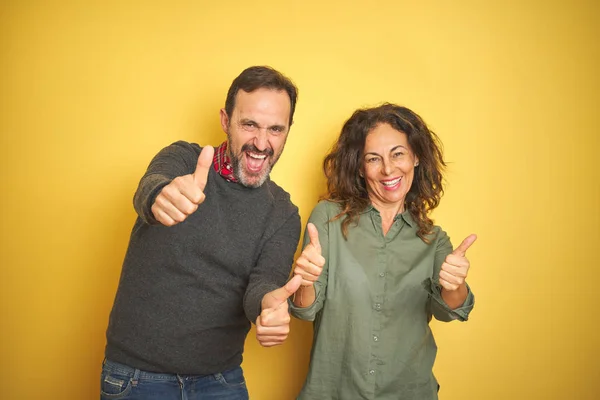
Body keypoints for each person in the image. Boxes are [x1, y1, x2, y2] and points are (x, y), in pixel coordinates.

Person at [100, 66, 303, 400]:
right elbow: (151, 186)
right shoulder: (183, 159)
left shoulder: (283, 213)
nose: (261, 143)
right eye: (249, 124)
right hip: (137, 378)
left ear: (287, 131)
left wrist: (271, 306)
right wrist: (160, 197)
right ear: (226, 120)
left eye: (275, 129)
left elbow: (263, 286)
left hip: (220, 381)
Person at [290, 103, 477, 399]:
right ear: (360, 168)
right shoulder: (327, 218)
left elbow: (450, 311)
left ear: (415, 157)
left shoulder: (434, 240)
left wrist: (457, 285)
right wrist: (306, 279)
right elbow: (305, 310)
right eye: (373, 159)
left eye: (398, 154)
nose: (388, 169)